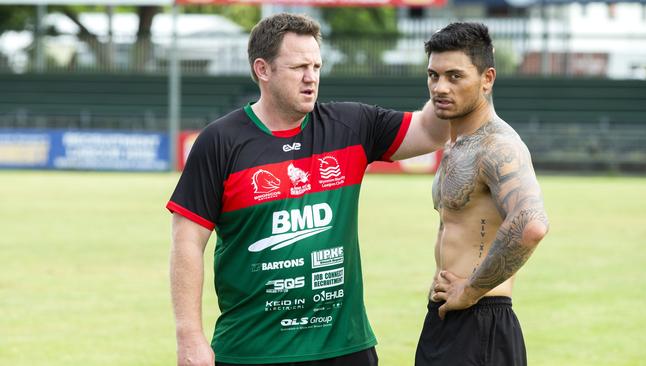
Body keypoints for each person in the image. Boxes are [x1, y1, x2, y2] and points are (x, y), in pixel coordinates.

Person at [167, 13, 448, 366]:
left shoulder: (351, 126)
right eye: (299, 66)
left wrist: (448, 77)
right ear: (263, 70)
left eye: (316, 66)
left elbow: (433, 132)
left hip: (344, 348)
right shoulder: (221, 141)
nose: (311, 77)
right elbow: (187, 240)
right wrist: (189, 336)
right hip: (252, 352)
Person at [414, 22, 549, 366]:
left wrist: (470, 290)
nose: (440, 87)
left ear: (487, 78)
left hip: (482, 321)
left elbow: (531, 224)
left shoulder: (499, 146)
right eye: (433, 75)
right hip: (446, 317)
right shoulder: (457, 143)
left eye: (455, 76)